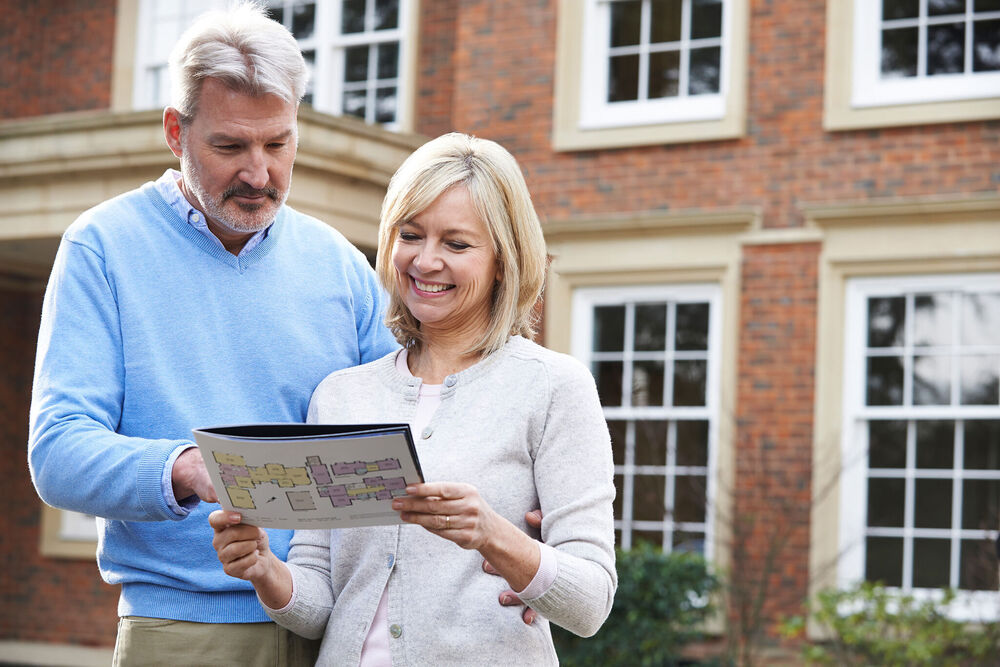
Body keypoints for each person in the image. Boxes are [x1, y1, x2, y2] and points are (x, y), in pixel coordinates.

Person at [26, 4, 399, 665]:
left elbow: (404, 427)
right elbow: (57, 452)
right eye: (230, 146)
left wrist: (503, 510)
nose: (258, 174)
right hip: (181, 630)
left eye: (278, 144)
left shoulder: (340, 263)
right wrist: (189, 470)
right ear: (176, 131)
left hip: (335, 624)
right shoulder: (103, 248)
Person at [211, 132, 618, 665]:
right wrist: (266, 569)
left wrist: (495, 535)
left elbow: (590, 604)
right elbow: (319, 605)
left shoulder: (553, 387)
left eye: (457, 244)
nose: (425, 262)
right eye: (411, 235)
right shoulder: (340, 396)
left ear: (504, 259)